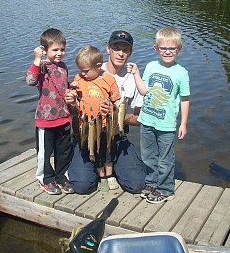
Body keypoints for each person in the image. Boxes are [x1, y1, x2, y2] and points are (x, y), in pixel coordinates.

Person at [65, 30, 146, 194]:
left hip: (115, 136)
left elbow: (140, 119)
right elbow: (71, 109)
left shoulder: (134, 79)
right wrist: (71, 102)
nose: (121, 53)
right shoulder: (90, 69)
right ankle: (93, 167)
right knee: (82, 186)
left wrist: (116, 114)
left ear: (130, 52)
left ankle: (112, 166)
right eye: (116, 48)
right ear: (108, 49)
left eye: (125, 49)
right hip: (88, 134)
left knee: (136, 185)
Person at [129, 26, 190, 204]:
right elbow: (143, 91)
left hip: (166, 124)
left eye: (172, 48)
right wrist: (136, 75)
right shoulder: (150, 66)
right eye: (163, 48)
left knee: (165, 159)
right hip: (147, 120)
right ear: (156, 48)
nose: (167, 52)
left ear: (179, 48)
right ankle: (151, 182)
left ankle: (166, 189)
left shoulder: (181, 73)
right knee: (148, 155)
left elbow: (185, 100)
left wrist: (183, 123)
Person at [26, 28, 74, 195]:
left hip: (64, 117)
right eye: (55, 50)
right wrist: (37, 59)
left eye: (62, 49)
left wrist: (72, 88)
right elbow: (30, 80)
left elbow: (63, 85)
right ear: (44, 50)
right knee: (45, 152)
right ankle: (45, 178)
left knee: (64, 150)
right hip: (46, 119)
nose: (59, 53)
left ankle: (61, 176)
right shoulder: (42, 67)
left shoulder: (63, 66)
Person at [68, 45, 122, 191]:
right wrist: (71, 92)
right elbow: (74, 96)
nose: (82, 74)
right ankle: (101, 175)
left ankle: (110, 175)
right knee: (95, 151)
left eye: (85, 71)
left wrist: (113, 108)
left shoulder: (108, 80)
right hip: (86, 126)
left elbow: (117, 100)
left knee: (108, 150)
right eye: (80, 70)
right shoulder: (79, 79)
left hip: (104, 125)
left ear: (98, 66)